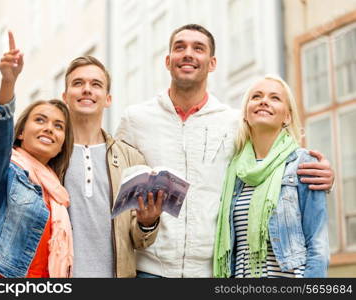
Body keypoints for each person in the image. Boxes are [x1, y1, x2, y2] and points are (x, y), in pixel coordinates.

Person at [115, 24, 334, 278]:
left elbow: (273, 159)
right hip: (150, 269)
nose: (188, 54)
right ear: (167, 60)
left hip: (210, 272)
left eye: (198, 48)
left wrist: (326, 178)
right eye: (180, 47)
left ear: (212, 62)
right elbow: (114, 184)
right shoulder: (135, 119)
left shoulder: (234, 123)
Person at [0, 55, 164, 277]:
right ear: (65, 96)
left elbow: (138, 240)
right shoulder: (47, 157)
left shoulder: (130, 158)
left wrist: (147, 223)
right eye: (78, 83)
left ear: (108, 98)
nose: (87, 90)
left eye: (96, 84)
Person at [0, 32, 74, 278]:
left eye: (59, 126)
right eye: (40, 120)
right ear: (20, 134)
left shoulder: (58, 191)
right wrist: (8, 83)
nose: (50, 128)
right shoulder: (4, 172)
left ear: (61, 146)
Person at [213, 75, 329, 278]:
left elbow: (318, 245)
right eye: (256, 96)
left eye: (275, 98)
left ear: (287, 117)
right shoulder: (235, 171)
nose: (264, 101)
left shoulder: (303, 163)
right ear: (245, 114)